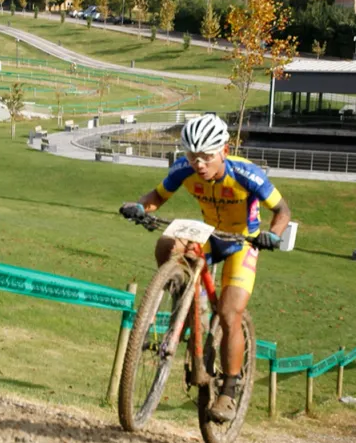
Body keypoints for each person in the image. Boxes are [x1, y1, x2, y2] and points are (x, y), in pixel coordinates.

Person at [120, 114, 292, 423]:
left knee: (228, 313)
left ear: (224, 150)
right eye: (193, 156)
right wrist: (139, 206)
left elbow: (282, 209)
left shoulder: (247, 174)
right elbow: (157, 196)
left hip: (243, 242)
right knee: (166, 244)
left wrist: (273, 234)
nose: (199, 164)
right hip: (210, 234)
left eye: (207, 157)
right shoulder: (184, 169)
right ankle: (183, 302)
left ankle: (229, 390)